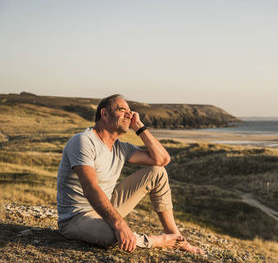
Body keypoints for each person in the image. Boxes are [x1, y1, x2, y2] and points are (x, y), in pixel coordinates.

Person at [57, 94, 204, 254]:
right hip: (77, 217)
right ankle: (157, 241)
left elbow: (162, 159)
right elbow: (91, 188)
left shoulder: (121, 147)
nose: (130, 114)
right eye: (122, 110)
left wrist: (139, 126)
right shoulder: (84, 141)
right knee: (113, 236)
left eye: (130, 111)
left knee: (158, 172)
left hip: (107, 205)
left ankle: (175, 236)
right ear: (104, 114)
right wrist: (120, 225)